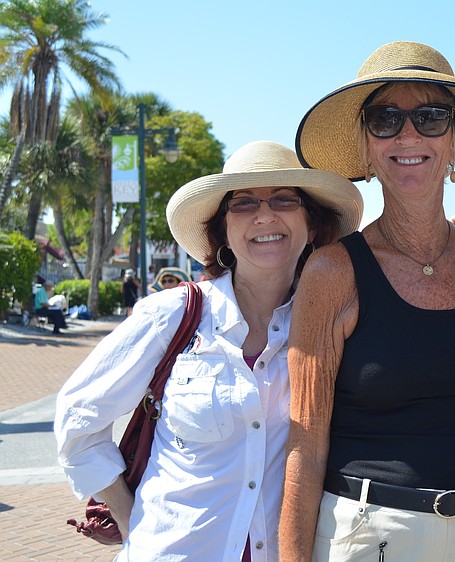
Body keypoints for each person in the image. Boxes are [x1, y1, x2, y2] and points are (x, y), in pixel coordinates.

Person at [278, 41, 455, 561]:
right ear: (365, 144)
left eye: (431, 117)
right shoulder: (332, 271)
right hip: (365, 535)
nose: (408, 134)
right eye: (385, 119)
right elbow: (305, 442)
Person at [55, 141, 365, 561]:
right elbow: (77, 417)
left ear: (312, 225)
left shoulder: (333, 324)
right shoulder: (175, 314)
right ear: (222, 232)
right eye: (243, 204)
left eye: (284, 200)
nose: (264, 215)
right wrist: (134, 525)